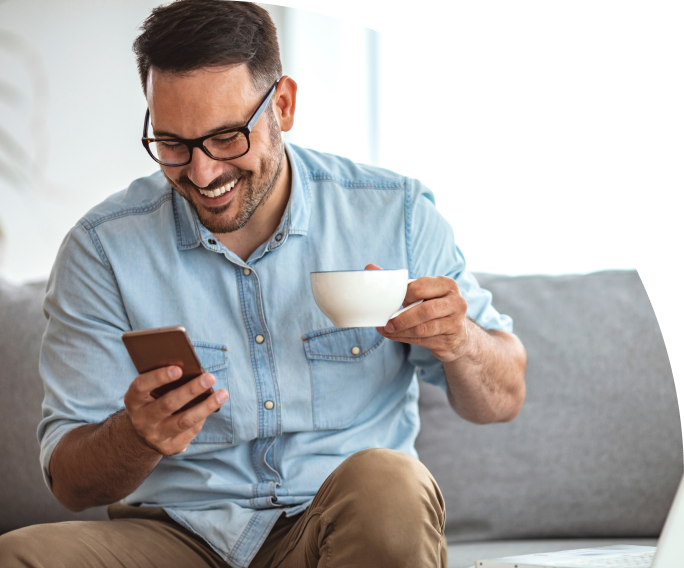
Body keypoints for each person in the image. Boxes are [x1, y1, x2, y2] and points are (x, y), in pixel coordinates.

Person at [0, 2, 526, 567]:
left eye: (226, 137)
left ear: (283, 105)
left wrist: (461, 340)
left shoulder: (395, 214)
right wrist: (137, 435)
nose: (202, 175)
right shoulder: (102, 249)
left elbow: (503, 398)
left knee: (391, 484)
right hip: (175, 537)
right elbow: (71, 482)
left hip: (339, 526)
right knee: (23, 554)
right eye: (173, 144)